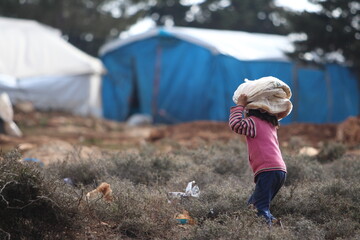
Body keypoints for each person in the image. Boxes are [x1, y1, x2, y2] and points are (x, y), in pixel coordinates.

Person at [229, 93, 286, 227]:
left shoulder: (254, 122)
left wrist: (240, 105)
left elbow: (235, 124)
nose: (246, 112)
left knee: (259, 209)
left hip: (268, 170)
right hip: (279, 171)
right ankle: (277, 227)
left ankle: (269, 235)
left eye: (248, 109)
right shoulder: (270, 124)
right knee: (252, 207)